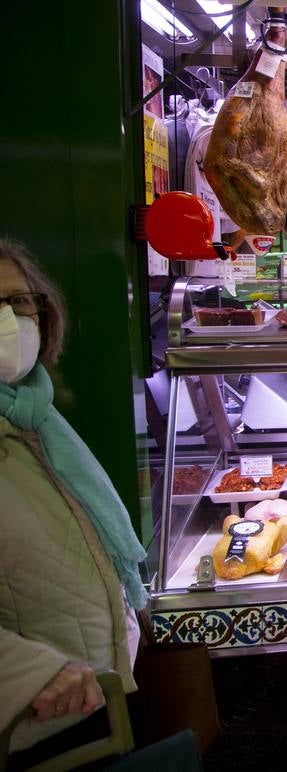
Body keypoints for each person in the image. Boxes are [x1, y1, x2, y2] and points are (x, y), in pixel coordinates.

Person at [1, 240, 146, 761]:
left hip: (97, 699)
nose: (10, 320)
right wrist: (30, 674)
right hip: (34, 722)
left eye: (19, 302)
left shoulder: (37, 415)